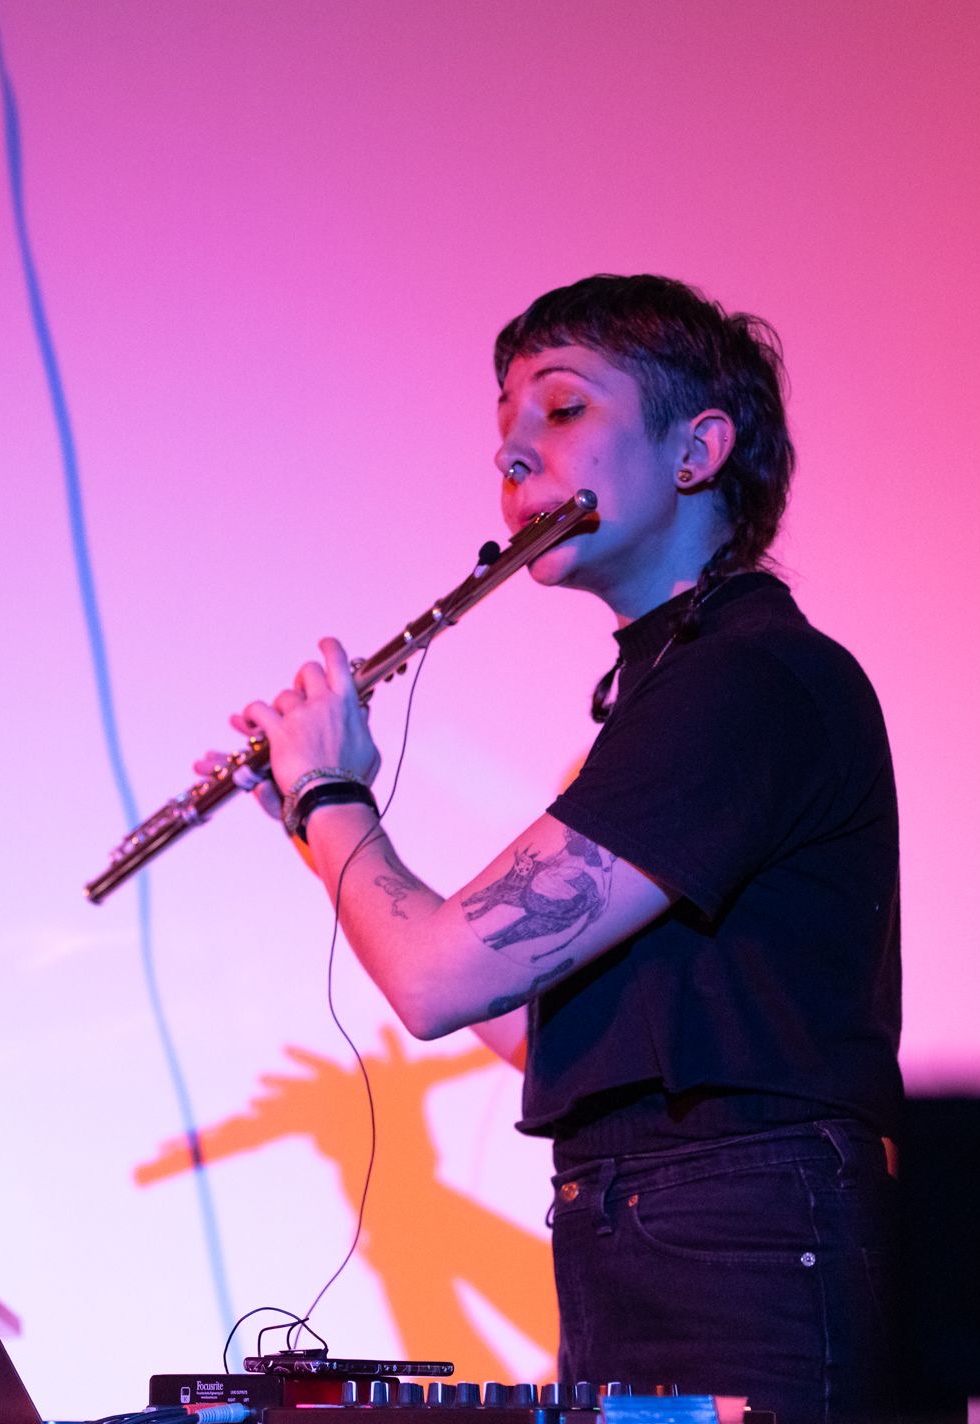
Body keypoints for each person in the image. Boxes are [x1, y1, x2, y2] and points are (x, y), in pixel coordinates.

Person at [211, 274, 903, 1424]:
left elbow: (434, 976)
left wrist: (331, 794)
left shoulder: (744, 685)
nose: (514, 457)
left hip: (754, 1247)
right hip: (663, 1232)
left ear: (696, 450)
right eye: (504, 428)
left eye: (562, 408)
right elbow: (532, 1020)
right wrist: (302, 813)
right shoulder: (675, 691)